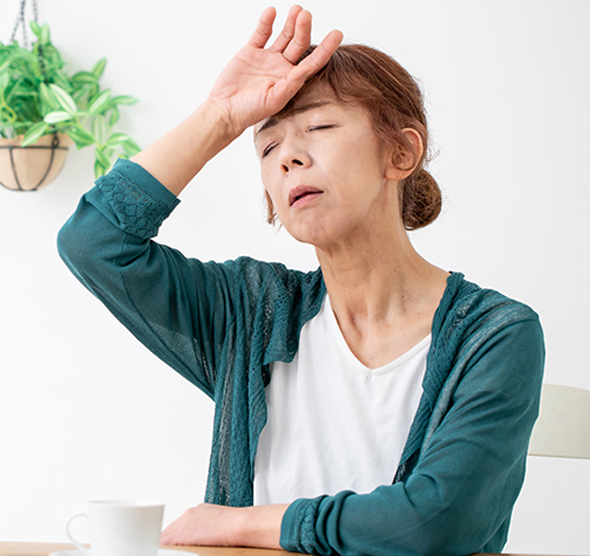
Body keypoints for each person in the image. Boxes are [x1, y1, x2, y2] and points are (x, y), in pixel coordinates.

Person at [57, 5, 545, 555]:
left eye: (318, 127)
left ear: (401, 152)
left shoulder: (496, 335)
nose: (288, 156)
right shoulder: (249, 312)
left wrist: (242, 524)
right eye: (268, 147)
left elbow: (432, 526)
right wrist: (220, 116)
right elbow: (94, 242)